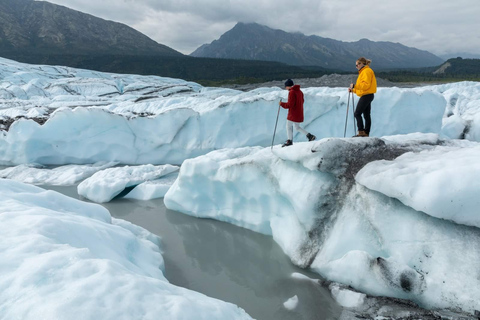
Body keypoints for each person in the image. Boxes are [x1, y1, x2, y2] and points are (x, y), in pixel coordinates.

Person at [279, 79, 316, 147]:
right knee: (297, 127)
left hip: (293, 114)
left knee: (288, 127)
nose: (285, 88)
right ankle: (309, 136)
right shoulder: (299, 91)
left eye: (286, 86)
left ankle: (289, 141)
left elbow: (290, 105)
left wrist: (282, 104)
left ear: (288, 86)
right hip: (299, 113)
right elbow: (302, 101)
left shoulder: (292, 92)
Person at [348, 57, 377, 137]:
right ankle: (366, 133)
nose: (356, 66)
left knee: (357, 113)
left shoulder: (366, 71)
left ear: (363, 63)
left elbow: (365, 85)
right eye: (356, 65)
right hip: (368, 95)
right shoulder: (364, 71)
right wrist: (353, 90)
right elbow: (362, 89)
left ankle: (361, 132)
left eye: (358, 64)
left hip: (366, 95)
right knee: (366, 115)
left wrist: (354, 86)